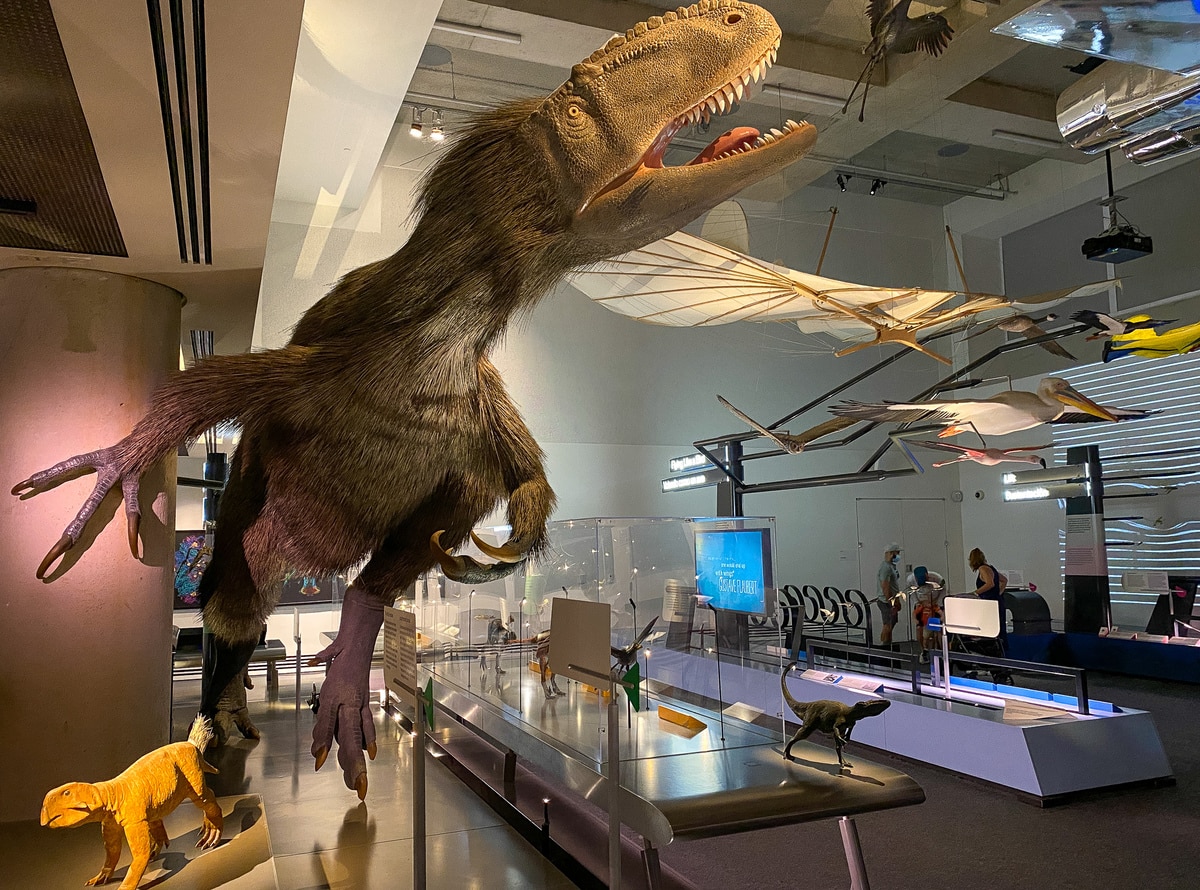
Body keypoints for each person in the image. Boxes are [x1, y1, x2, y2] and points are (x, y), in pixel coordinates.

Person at [967, 547, 1011, 683]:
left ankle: (996, 664)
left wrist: (976, 592)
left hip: (989, 605)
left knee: (991, 634)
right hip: (997, 603)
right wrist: (999, 593)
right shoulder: (990, 568)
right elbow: (1004, 580)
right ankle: (1001, 664)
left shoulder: (982, 569)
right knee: (999, 632)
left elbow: (990, 584)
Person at [907, 565, 945, 663]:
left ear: (927, 575)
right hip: (921, 603)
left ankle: (941, 652)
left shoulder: (937, 578)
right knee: (920, 629)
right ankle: (923, 651)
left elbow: (943, 590)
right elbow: (911, 593)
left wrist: (938, 604)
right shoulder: (910, 580)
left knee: (937, 631)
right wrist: (918, 603)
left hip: (935, 602)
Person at [875, 542, 903, 647]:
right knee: (887, 625)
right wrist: (892, 603)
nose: (899, 555)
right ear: (891, 553)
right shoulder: (885, 568)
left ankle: (888, 645)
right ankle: (883, 647)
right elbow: (885, 587)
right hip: (886, 602)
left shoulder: (891, 566)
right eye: (898, 552)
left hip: (891, 600)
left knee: (891, 623)